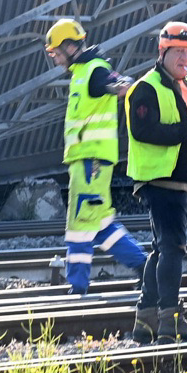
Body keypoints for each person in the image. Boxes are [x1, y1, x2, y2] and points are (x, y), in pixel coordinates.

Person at [44, 17, 147, 295]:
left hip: (92, 162)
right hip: (89, 161)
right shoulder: (82, 73)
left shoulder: (94, 70)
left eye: (55, 52)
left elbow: (120, 82)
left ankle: (77, 286)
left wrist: (125, 85)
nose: (55, 59)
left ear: (68, 46)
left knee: (79, 223)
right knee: (100, 223)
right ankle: (146, 268)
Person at [124, 21, 187, 343]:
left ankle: (145, 320)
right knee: (173, 249)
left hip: (179, 181)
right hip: (160, 180)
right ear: (162, 52)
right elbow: (144, 132)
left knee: (161, 249)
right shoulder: (146, 88)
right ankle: (170, 321)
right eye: (179, 52)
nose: (185, 59)